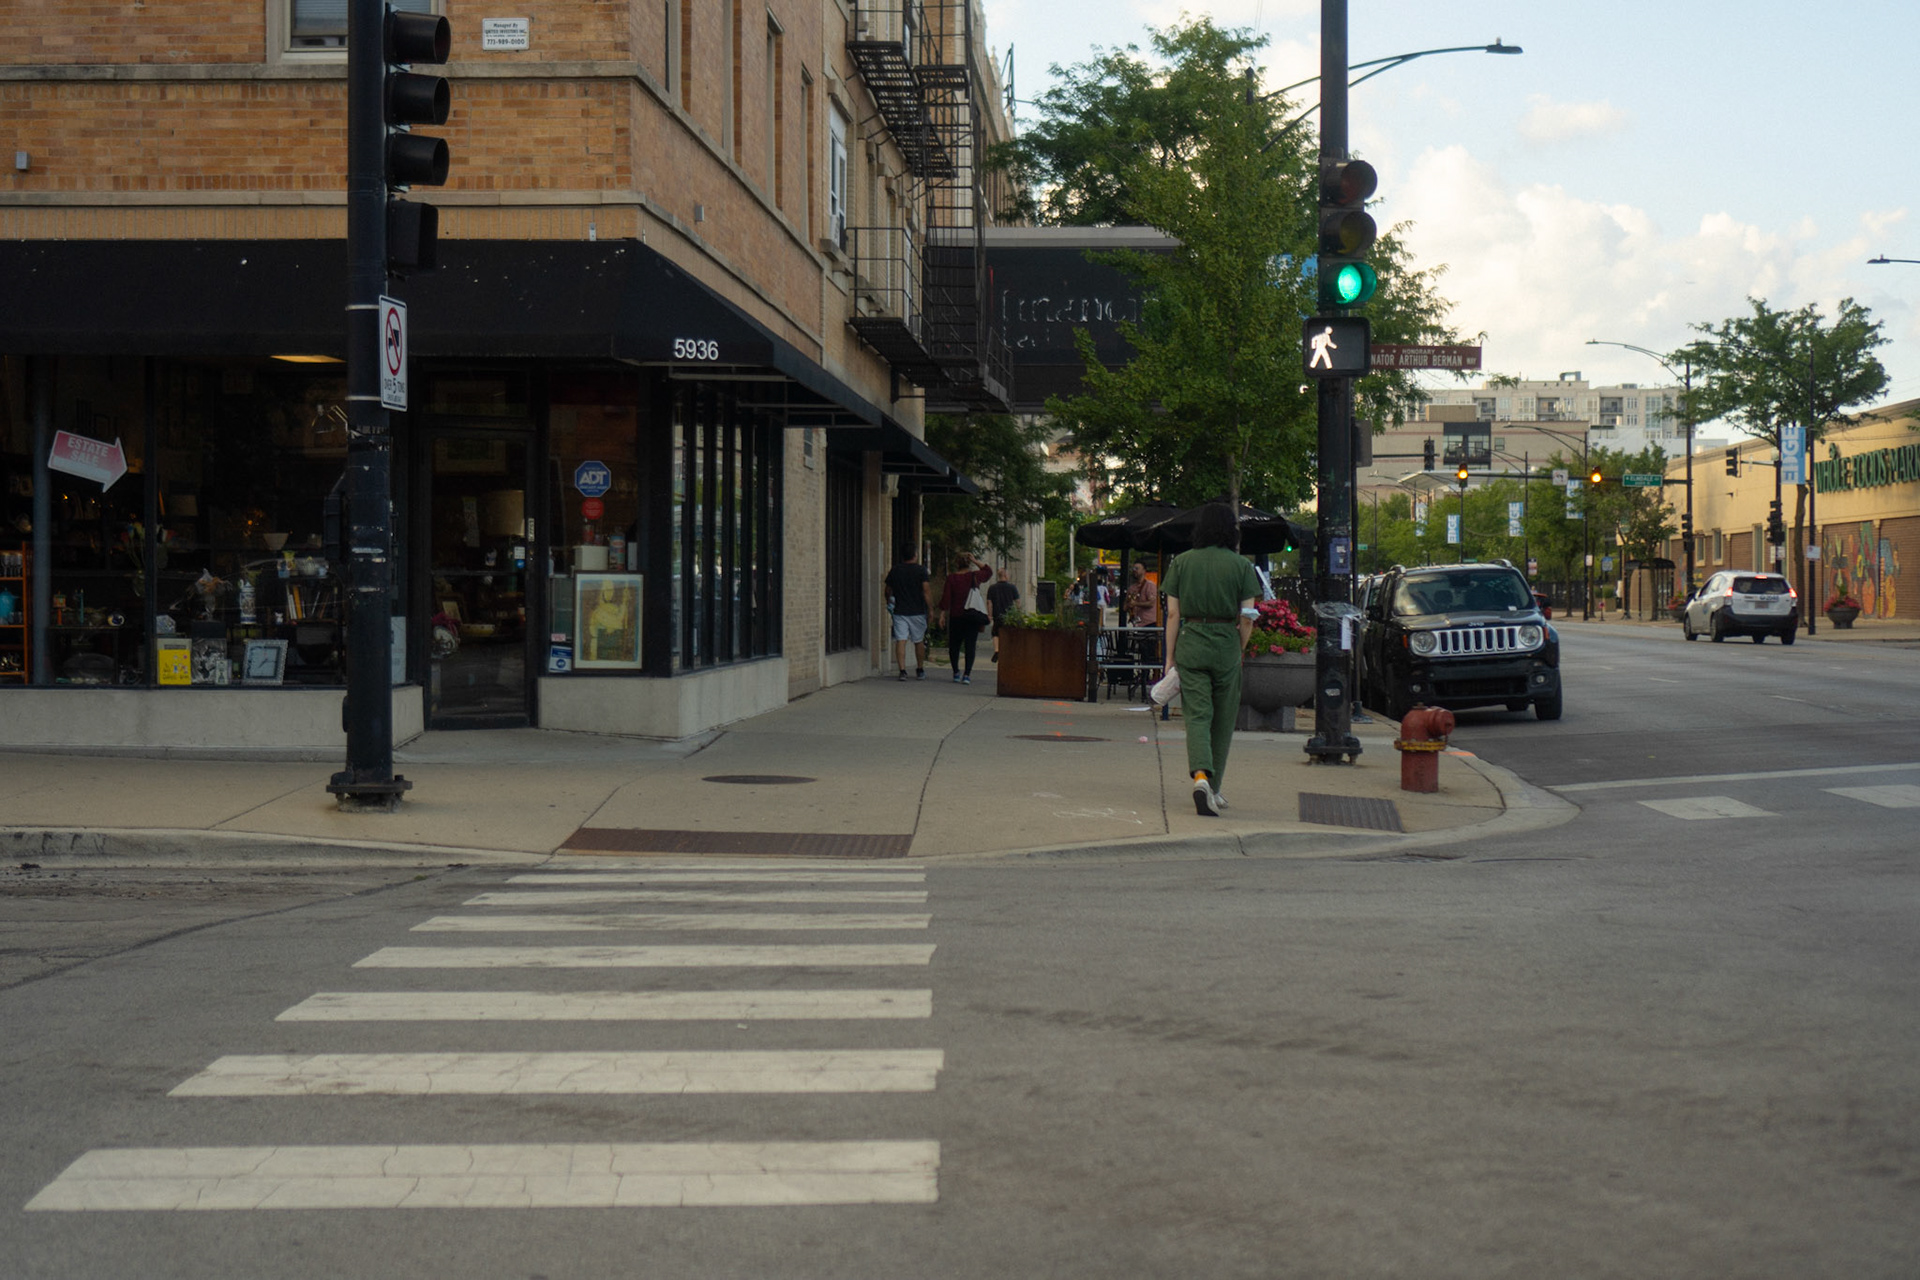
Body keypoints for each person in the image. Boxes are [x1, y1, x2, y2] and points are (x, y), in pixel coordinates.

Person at [1159, 502, 1260, 817]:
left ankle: (1200, 776)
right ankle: (1213, 789)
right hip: (1226, 644)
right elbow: (1247, 617)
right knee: (1223, 718)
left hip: (1191, 643)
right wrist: (1238, 648)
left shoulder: (1182, 563)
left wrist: (1170, 657)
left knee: (1198, 716)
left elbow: (1173, 614)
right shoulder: (1241, 566)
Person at [938, 552, 994, 685]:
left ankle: (956, 672)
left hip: (956, 616)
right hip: (972, 616)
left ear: (956, 563)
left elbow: (947, 597)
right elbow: (989, 571)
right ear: (968, 563)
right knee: (970, 646)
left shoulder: (951, 578)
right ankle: (967, 675)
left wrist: (942, 615)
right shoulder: (974, 576)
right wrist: (975, 560)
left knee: (954, 646)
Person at [884, 545, 932, 681]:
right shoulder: (921, 571)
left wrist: (888, 601)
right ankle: (920, 669)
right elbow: (926, 591)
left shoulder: (895, 570)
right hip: (917, 611)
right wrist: (930, 609)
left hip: (900, 610)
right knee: (918, 641)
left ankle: (902, 670)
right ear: (915, 555)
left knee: (901, 640)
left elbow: (887, 590)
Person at [986, 566, 1020, 661]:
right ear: (1005, 575)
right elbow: (1017, 601)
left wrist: (990, 615)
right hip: (1009, 616)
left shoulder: (992, 588)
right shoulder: (1012, 587)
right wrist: (1018, 613)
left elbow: (989, 602)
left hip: (997, 614)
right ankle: (1008, 650)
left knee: (995, 633)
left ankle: (997, 650)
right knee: (1009, 633)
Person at [1124, 563, 1158, 628]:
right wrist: (1128, 605)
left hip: (1149, 623)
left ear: (1144, 571)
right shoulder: (1132, 588)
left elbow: (1151, 603)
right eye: (1133, 568)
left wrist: (1135, 603)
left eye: (1137, 568)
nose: (1134, 570)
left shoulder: (1150, 586)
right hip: (1136, 624)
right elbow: (1125, 606)